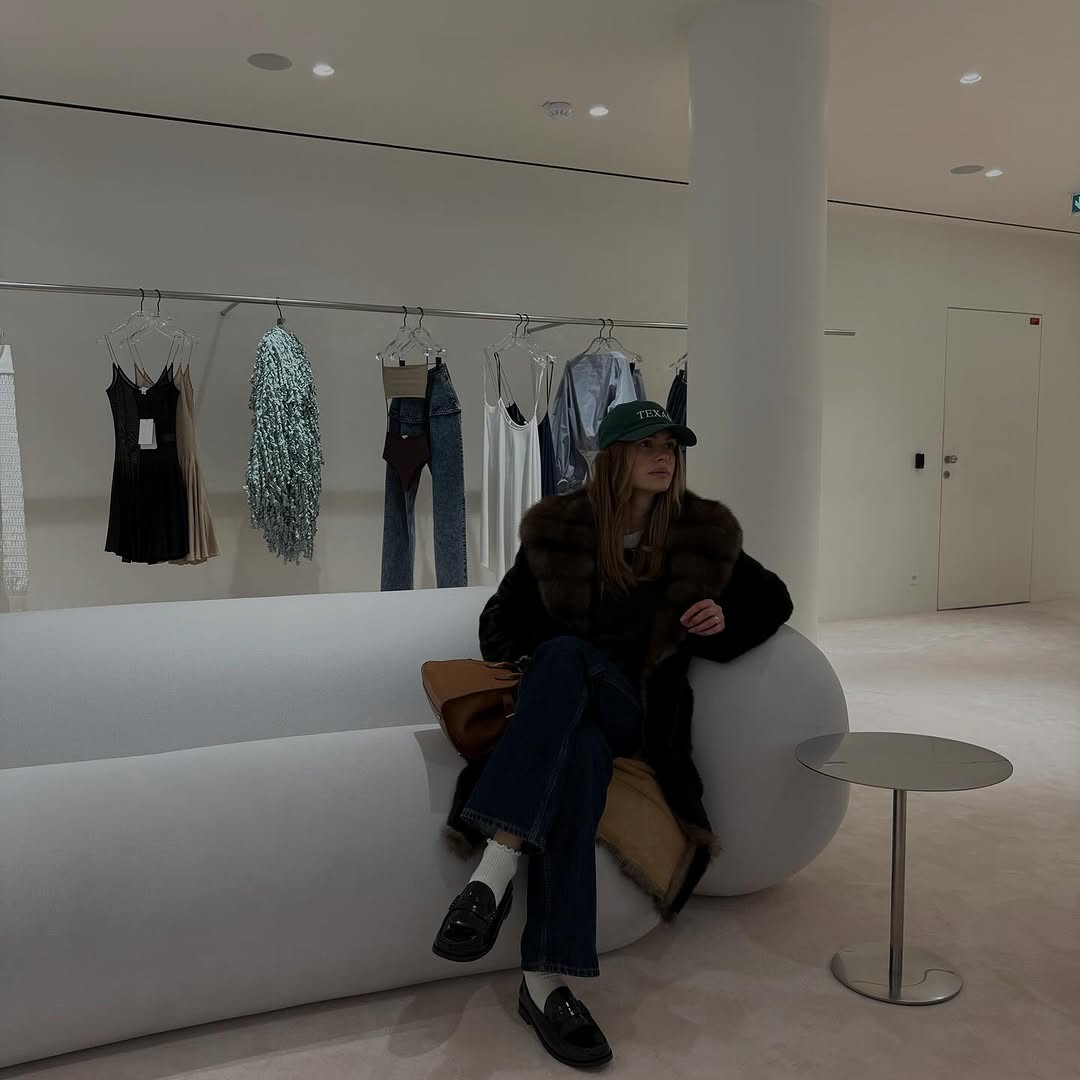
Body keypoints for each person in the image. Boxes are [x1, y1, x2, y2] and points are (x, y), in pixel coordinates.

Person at [432, 401, 793, 1069]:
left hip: (639, 714)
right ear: (613, 458)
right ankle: (545, 984)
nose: (663, 457)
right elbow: (498, 622)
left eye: (670, 446)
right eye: (646, 445)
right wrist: (545, 679)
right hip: (569, 723)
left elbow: (774, 598)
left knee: (569, 658)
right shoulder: (560, 529)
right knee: (577, 751)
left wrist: (724, 613)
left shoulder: (700, 531)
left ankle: (492, 871)